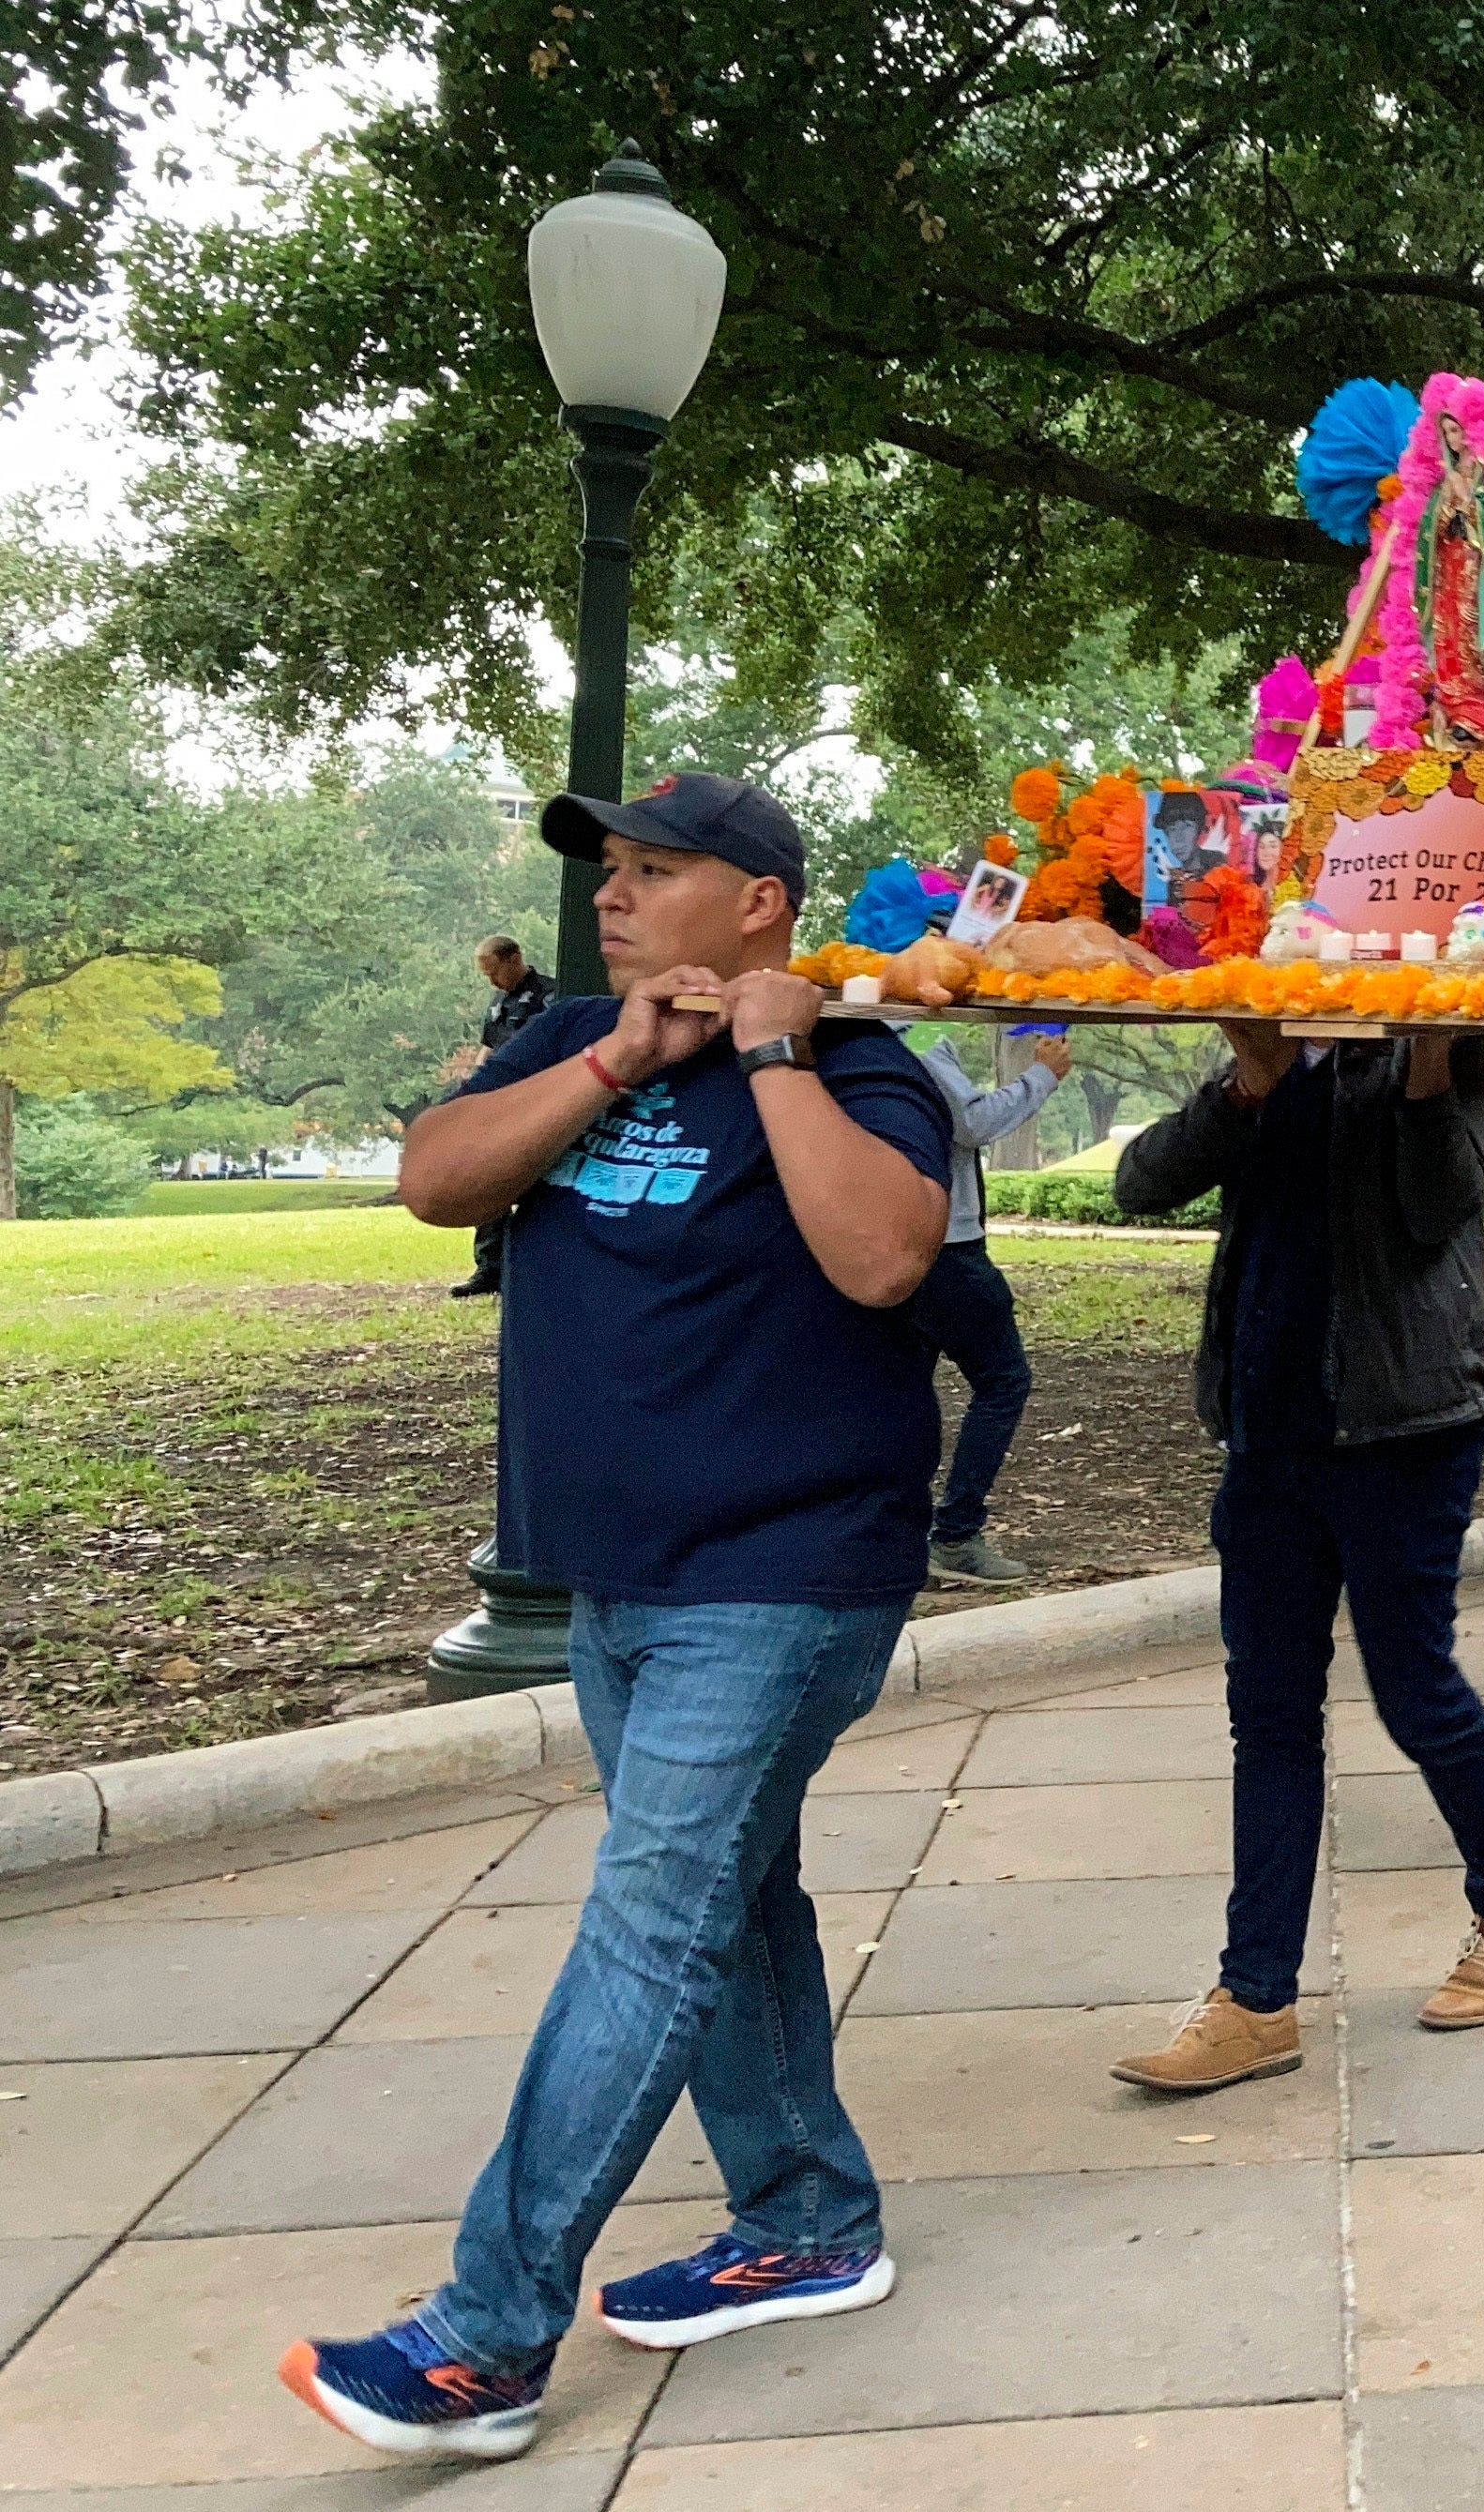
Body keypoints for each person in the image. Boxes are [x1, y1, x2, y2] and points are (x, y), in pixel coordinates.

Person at [282, 776, 952, 2460]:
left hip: (785, 1572)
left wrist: (775, 1054)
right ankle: (807, 2213)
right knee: (734, 1889)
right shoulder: (572, 1038)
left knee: (651, 1921)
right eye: (609, 873)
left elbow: (885, 1261)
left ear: (763, 906)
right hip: (614, 1570)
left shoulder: (863, 1058)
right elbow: (435, 1179)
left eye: (659, 873)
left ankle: (487, 2336)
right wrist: (615, 1059)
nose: (616, 896)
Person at [1105, 1009, 1484, 2096]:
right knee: (1267, 1714)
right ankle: (1256, 1995)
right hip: (1269, 1432)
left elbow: (1435, 1206)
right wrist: (1248, 1082)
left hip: (1405, 1431)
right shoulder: (1265, 1049)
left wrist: (1428, 1058)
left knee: (1414, 1691)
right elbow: (1142, 1183)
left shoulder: (1462, 1047)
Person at [909, 1030, 1067, 1585]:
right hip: (947, 1247)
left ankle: (895, 1535)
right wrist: (1042, 1075)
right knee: (1003, 1381)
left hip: (891, 1240)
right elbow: (972, 1122)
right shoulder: (918, 1038)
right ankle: (954, 1535)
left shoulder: (858, 1034)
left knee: (902, 1389)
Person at [449, 935, 555, 1297]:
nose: (492, 982)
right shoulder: (499, 1003)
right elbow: (488, 1049)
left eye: (494, 972)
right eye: (486, 976)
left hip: (535, 1100)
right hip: (498, 1101)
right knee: (488, 1179)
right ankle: (489, 1268)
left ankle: (532, 1269)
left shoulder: (549, 998)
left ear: (514, 959)